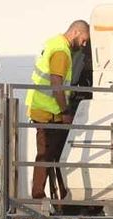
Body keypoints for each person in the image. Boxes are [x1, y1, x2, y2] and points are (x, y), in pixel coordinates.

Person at [26, 21, 91, 203]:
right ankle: (40, 195)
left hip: (42, 108)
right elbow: (57, 85)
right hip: (50, 112)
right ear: (76, 32)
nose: (84, 44)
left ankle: (58, 194)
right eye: (84, 39)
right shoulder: (62, 51)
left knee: (53, 154)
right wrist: (65, 111)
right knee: (48, 153)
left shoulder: (53, 42)